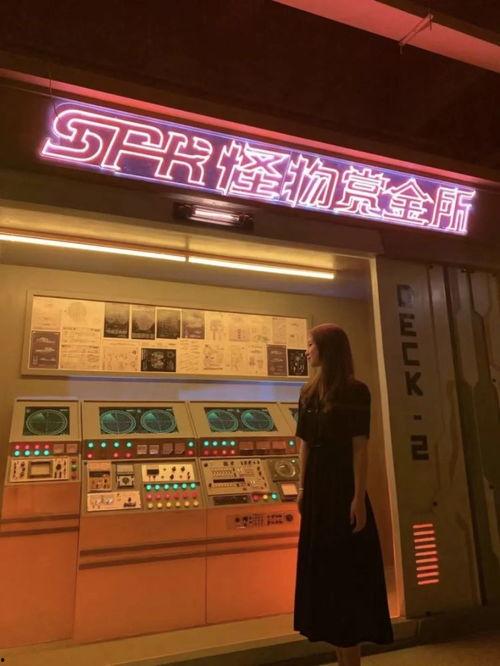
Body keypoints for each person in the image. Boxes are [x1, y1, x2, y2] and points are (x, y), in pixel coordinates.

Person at [294, 324, 394, 666]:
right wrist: (302, 488)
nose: (307, 350)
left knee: (346, 576)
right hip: (317, 492)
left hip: (342, 490)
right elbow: (304, 444)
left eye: (311, 344)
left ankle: (350, 658)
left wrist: (358, 497)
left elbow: (359, 448)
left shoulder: (356, 391)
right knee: (325, 574)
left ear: (328, 349)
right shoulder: (307, 392)